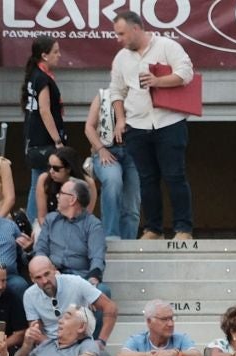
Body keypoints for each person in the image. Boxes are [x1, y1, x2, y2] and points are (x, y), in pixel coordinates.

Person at [109, 11, 194, 241]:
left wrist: (158, 82)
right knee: (146, 179)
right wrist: (120, 119)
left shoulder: (167, 46)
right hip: (136, 125)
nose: (118, 39)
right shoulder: (121, 58)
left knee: (175, 175)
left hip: (169, 121)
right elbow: (116, 91)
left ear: (136, 29)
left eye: (122, 33)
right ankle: (153, 229)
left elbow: (186, 73)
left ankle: (183, 228)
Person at [20, 255, 116, 346]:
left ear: (54, 269)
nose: (45, 281)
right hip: (49, 345)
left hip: (80, 343)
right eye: (38, 277)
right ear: (32, 278)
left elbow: (110, 307)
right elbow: (37, 333)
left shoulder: (75, 282)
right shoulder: (29, 295)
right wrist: (58, 348)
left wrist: (101, 341)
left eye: (47, 274)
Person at [84, 88, 139, 242]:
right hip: (107, 150)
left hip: (134, 153)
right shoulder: (103, 95)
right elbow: (89, 127)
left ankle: (129, 243)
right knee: (113, 181)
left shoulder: (140, 95)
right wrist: (100, 149)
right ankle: (111, 235)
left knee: (132, 203)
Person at [37, 180, 105, 290]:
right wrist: (48, 270)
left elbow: (97, 257)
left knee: (103, 291)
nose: (57, 196)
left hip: (81, 278)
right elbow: (40, 250)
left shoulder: (93, 225)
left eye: (61, 193)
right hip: (52, 276)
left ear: (72, 199)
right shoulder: (51, 219)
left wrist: (93, 279)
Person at [117, 300, 201, 356]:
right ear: (149, 321)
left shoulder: (181, 338)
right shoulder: (138, 340)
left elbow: (197, 355)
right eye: (164, 319)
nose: (171, 324)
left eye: (171, 318)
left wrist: (175, 353)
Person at [14, 304, 107, 356]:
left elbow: (90, 353)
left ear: (81, 327)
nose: (60, 321)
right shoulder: (46, 344)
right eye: (61, 318)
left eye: (66, 317)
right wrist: (27, 345)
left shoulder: (86, 344)